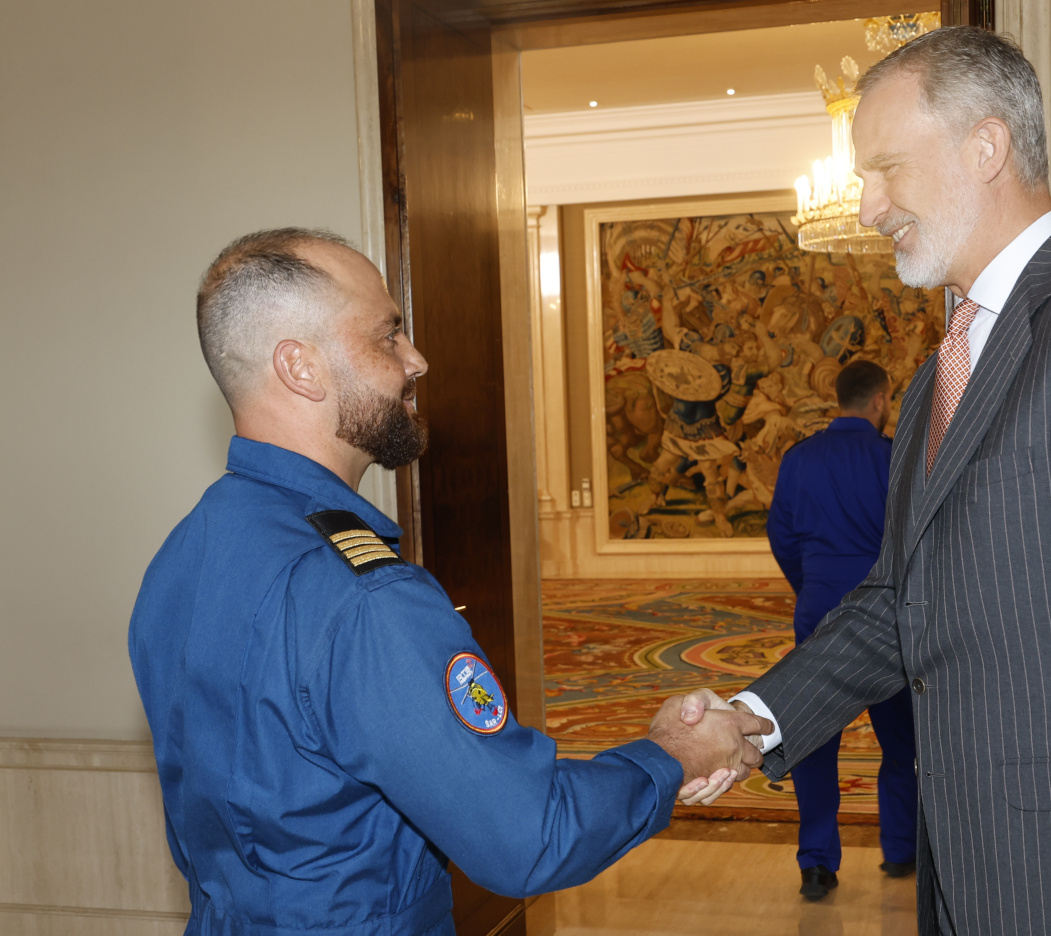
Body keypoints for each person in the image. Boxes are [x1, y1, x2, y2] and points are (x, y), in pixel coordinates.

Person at [686, 26, 1051, 936]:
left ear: (985, 147)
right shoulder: (940, 372)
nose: (868, 206)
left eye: (885, 169)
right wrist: (756, 718)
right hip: (980, 878)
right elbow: (900, 604)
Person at [128, 229, 771, 936]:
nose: (416, 360)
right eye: (387, 337)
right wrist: (673, 756)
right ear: (300, 368)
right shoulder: (364, 597)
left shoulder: (182, 556)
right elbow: (528, 836)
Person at [766, 360, 917, 900]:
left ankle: (816, 863)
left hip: (819, 610)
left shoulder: (798, 459)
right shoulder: (894, 456)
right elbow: (912, 537)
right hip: (884, 617)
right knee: (902, 742)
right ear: (880, 400)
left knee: (812, 741)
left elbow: (780, 535)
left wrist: (813, 587)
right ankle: (901, 850)